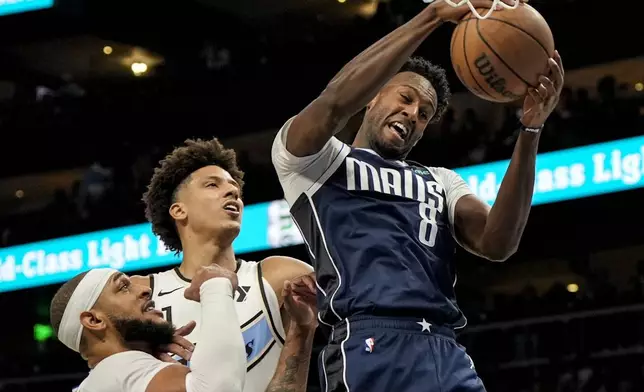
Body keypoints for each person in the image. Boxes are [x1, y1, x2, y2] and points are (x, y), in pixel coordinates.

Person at [270, 0, 564, 390]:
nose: (413, 113)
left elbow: (498, 242)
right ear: (373, 95)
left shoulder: (440, 180)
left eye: (425, 113)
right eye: (406, 98)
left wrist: (530, 131)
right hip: (370, 343)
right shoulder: (316, 163)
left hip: (446, 349)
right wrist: (432, 17)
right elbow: (334, 103)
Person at [137, 138, 316, 392]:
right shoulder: (141, 293)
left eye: (236, 189)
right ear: (178, 211)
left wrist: (303, 330)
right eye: (212, 185)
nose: (233, 192)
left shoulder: (280, 276)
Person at [49, 265, 246, 392]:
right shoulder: (120, 368)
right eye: (123, 287)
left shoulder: (103, 379)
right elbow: (219, 386)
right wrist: (215, 286)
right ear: (93, 320)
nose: (145, 289)